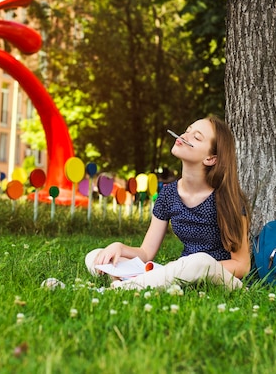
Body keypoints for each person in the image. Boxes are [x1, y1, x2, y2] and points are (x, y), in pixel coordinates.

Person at [85, 116, 252, 290]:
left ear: (210, 158)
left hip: (217, 277)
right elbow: (146, 253)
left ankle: (123, 286)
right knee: (96, 256)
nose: (184, 136)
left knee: (200, 261)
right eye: (187, 131)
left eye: (196, 137)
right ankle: (140, 283)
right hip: (178, 274)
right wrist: (119, 247)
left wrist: (192, 269)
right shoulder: (168, 194)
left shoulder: (225, 197)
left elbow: (242, 265)